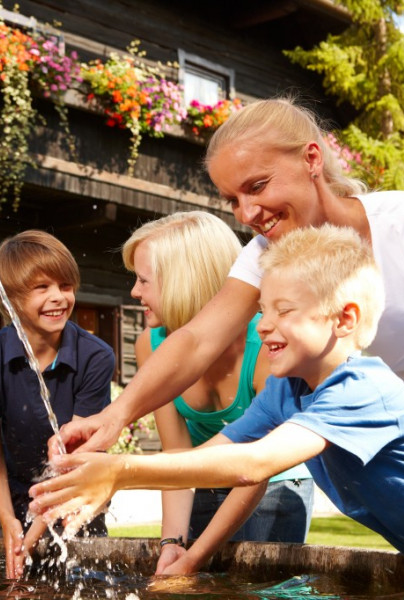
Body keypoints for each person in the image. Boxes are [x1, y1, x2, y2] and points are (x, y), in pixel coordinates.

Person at [53, 98, 404, 525]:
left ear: (312, 159)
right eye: (232, 199)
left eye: (257, 186)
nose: (248, 213)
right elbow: (195, 340)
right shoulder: (264, 255)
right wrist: (114, 416)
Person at [31, 225, 404, 599]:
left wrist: (122, 474)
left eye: (284, 311)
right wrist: (96, 474)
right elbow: (215, 455)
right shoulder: (287, 390)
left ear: (343, 319)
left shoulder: (362, 388)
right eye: (262, 310)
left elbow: (253, 466)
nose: (263, 325)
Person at [122, 211, 313, 575]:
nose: (134, 292)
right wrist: (172, 545)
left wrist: (196, 557)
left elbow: (258, 465)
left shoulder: (266, 343)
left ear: (183, 281)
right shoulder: (150, 345)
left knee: (256, 587)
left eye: (144, 280)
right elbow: (177, 453)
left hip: (272, 482)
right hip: (206, 478)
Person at [0, 230, 116, 579]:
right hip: (11, 501)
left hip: (75, 498)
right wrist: (8, 522)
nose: (58, 298)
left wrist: (33, 535)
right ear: (11, 298)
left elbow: (75, 459)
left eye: (65, 285)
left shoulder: (95, 357)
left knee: (84, 584)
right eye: (41, 288)